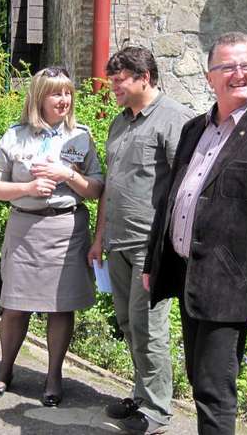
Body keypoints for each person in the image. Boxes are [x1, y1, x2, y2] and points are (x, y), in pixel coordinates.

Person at [143, 32, 247, 434]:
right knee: (200, 380)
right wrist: (154, 261)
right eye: (228, 67)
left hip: (229, 282)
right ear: (209, 77)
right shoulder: (194, 129)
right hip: (188, 276)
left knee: (216, 390)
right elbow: (171, 199)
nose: (239, 74)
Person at [87, 46, 192, 435]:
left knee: (149, 327)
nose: (112, 87)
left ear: (143, 78)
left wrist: (169, 248)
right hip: (117, 241)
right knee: (129, 323)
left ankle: (159, 411)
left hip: (152, 248)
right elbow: (111, 187)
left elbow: (185, 189)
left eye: (119, 81)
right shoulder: (120, 122)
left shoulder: (174, 119)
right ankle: (142, 394)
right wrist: (99, 238)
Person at [0, 66, 104, 406]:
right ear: (39, 97)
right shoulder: (15, 136)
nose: (63, 100)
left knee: (61, 307)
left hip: (66, 229)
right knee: (14, 305)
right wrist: (28, 187)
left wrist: (68, 174)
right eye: (56, 93)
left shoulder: (81, 136)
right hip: (25, 228)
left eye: (67, 93)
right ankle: (5, 370)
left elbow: (96, 189)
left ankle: (53, 375)